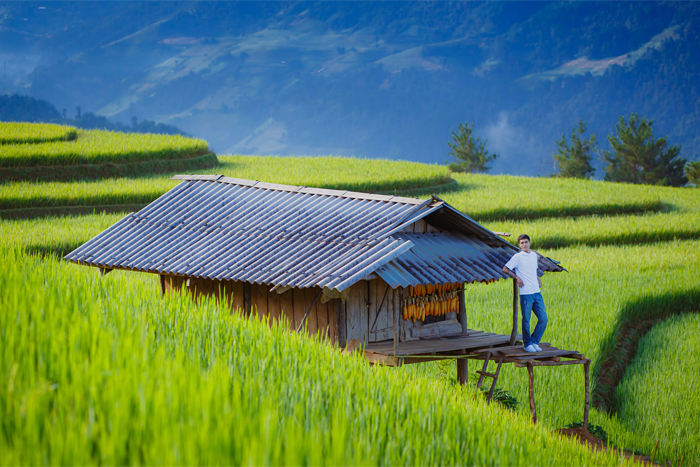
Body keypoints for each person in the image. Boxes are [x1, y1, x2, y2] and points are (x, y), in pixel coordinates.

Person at [502, 234, 547, 353]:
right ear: (519, 245)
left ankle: (535, 341)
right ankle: (527, 344)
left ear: (530, 243)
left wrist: (537, 277)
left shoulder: (533, 255)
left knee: (543, 318)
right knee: (526, 319)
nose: (524, 245)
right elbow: (505, 269)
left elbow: (533, 269)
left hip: (536, 292)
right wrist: (517, 277)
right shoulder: (518, 257)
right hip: (525, 293)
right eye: (522, 243)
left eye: (526, 242)